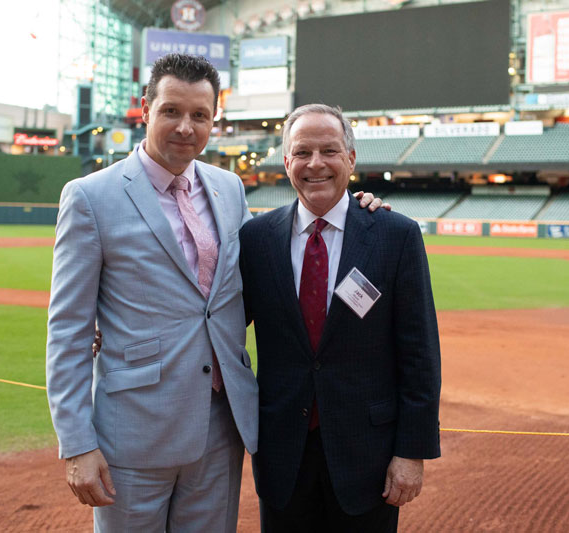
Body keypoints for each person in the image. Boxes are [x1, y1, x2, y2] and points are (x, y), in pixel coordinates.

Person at [47, 54, 384, 531]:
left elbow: (248, 287)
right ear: (146, 109)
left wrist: (354, 208)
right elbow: (67, 330)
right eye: (171, 111)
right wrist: (77, 443)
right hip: (136, 430)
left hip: (221, 427)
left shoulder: (228, 188)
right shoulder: (90, 197)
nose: (186, 127)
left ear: (213, 119)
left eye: (200, 115)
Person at [239, 104, 441, 532]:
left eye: (329, 150)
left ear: (351, 158)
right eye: (302, 152)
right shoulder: (255, 239)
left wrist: (412, 453)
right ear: (287, 161)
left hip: (368, 458)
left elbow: (420, 353)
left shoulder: (395, 235)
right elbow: (219, 323)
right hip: (282, 457)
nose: (316, 164)